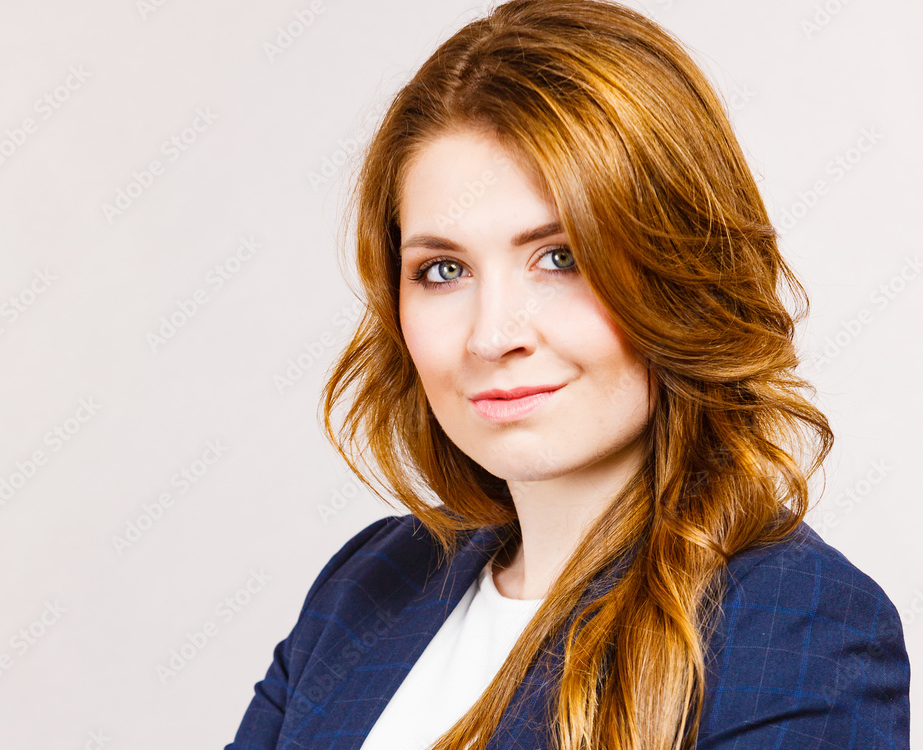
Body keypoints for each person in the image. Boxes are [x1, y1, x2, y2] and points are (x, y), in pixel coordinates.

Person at [225, 1, 911, 748]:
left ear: (683, 271)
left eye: (562, 257)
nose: (492, 335)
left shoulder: (794, 628)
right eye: (443, 269)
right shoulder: (370, 583)